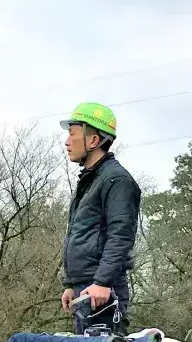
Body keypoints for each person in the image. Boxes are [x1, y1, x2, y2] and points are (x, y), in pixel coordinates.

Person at [59, 102, 142, 336]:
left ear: (93, 141)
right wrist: (71, 284)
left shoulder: (116, 180)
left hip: (102, 291)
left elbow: (121, 235)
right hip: (87, 289)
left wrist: (103, 282)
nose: (67, 142)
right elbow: (84, 235)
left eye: (72, 134)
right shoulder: (90, 181)